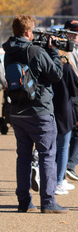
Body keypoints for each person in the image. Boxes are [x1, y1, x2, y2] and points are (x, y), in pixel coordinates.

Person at [3, 15, 67, 213]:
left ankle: (24, 202)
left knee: (23, 156)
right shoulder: (36, 51)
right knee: (47, 155)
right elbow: (56, 74)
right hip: (39, 111)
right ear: (29, 32)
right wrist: (54, 52)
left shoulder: (8, 52)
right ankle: (48, 202)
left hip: (17, 111)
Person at [52, 51, 78, 196]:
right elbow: (74, 89)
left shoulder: (48, 65)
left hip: (50, 109)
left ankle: (52, 180)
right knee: (63, 147)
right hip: (65, 109)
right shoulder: (67, 67)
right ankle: (58, 181)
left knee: (51, 147)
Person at [63, 20, 78, 184]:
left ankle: (65, 167)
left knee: (72, 130)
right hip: (72, 94)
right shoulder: (64, 49)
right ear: (65, 32)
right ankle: (68, 166)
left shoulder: (77, 49)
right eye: (73, 31)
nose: (76, 34)